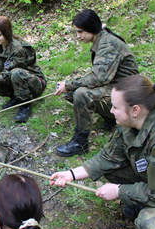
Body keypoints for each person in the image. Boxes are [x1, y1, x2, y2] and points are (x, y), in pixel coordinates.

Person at [50, 75, 155, 229]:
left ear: (135, 110)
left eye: (115, 107)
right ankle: (139, 202)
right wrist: (70, 174)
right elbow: (108, 157)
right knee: (112, 169)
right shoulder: (129, 123)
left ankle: (144, 208)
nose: (111, 111)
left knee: (149, 224)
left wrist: (119, 191)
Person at [55, 9, 138, 157]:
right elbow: (101, 76)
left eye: (80, 32)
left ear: (92, 29)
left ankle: (80, 142)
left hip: (128, 95)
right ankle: (111, 117)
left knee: (80, 94)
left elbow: (98, 78)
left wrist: (67, 84)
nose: (78, 36)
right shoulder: (103, 39)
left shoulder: (108, 45)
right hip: (116, 87)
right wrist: (69, 86)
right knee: (73, 93)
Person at [0, 16, 47, 123]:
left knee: (16, 73)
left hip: (35, 83)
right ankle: (16, 97)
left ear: (6, 33)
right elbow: (0, 65)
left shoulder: (18, 49)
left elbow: (11, 72)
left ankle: (25, 105)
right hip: (16, 79)